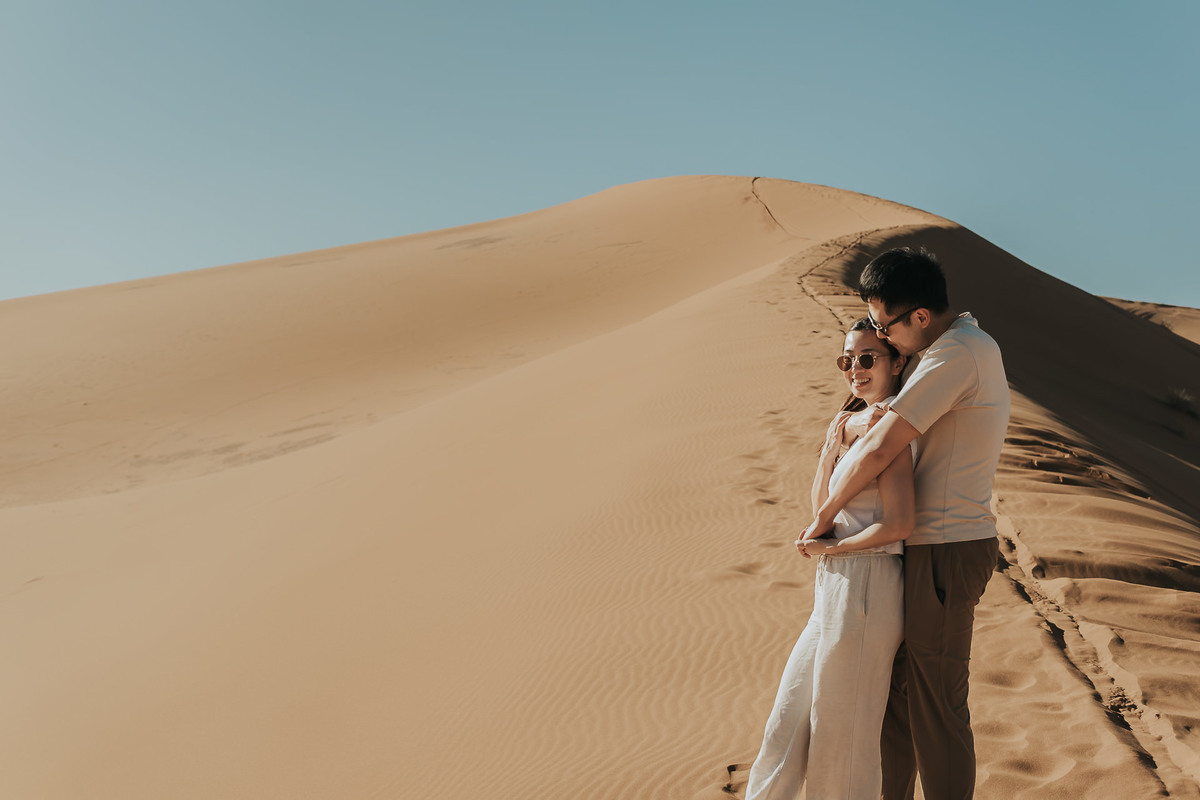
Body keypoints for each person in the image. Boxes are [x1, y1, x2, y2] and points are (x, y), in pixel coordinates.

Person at [799, 246, 1010, 800]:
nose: (881, 338)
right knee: (897, 702)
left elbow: (880, 447)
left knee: (935, 706)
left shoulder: (956, 355)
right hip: (922, 545)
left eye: (882, 325)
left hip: (946, 544)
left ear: (919, 317)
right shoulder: (950, 347)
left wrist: (822, 519)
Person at [745, 318, 915, 800]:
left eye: (867, 359)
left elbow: (900, 525)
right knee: (786, 725)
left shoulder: (892, 427)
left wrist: (833, 548)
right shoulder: (852, 424)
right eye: (847, 360)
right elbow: (821, 506)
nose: (855, 370)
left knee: (841, 743)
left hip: (868, 583)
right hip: (833, 588)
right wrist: (831, 446)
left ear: (896, 362)